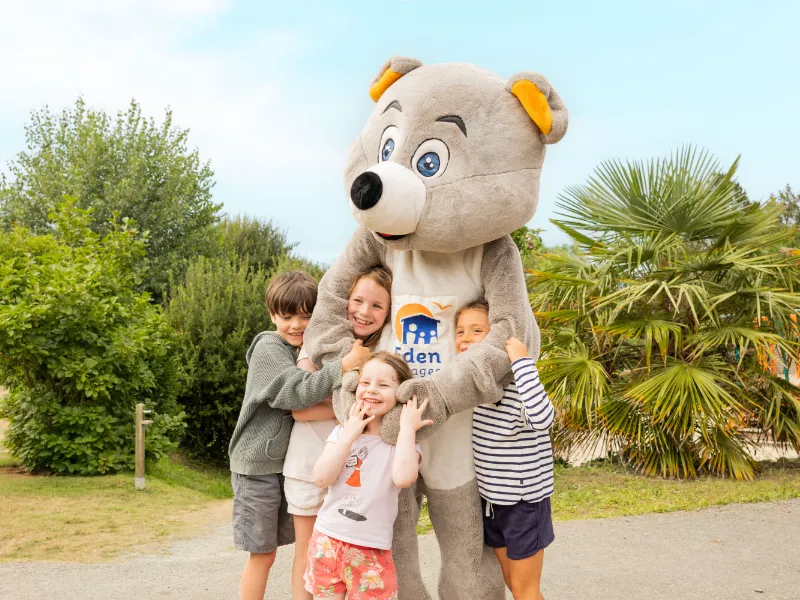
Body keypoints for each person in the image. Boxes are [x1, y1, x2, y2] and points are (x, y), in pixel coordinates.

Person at [228, 271, 370, 600]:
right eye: (286, 316)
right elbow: (296, 394)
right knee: (262, 554)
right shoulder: (268, 348)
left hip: (279, 465)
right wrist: (345, 366)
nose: (295, 324)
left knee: (290, 550)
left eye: (305, 316)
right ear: (271, 314)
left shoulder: (301, 349)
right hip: (256, 467)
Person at [285, 266, 392, 599]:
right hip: (310, 462)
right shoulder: (320, 344)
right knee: (309, 555)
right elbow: (300, 408)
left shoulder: (384, 351)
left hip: (356, 473)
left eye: (377, 306)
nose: (364, 311)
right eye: (357, 300)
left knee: (352, 560)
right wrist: (354, 411)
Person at [305, 352, 432, 600]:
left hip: (371, 547)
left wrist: (407, 429)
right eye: (365, 382)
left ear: (401, 394)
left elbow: (404, 478)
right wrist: (349, 434)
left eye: (384, 385)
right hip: (327, 540)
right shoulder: (342, 432)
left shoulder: (402, 443)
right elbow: (321, 478)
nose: (371, 390)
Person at [456, 300, 556, 600]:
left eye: (477, 330)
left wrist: (522, 361)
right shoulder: (474, 389)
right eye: (459, 331)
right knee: (514, 585)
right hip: (492, 503)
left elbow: (543, 418)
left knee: (525, 591)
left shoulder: (517, 385)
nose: (465, 338)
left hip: (524, 504)